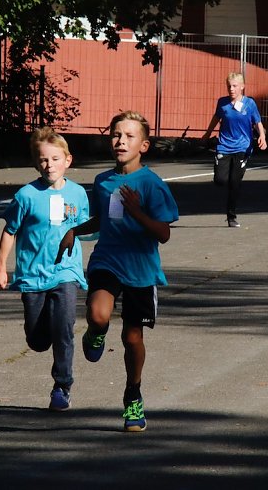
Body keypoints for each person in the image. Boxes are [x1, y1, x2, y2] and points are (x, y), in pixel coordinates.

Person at [56, 111, 179, 432]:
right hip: (107, 260)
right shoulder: (103, 181)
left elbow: (163, 233)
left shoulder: (152, 185)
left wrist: (138, 212)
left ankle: (133, 394)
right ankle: (96, 332)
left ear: (144, 145)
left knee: (132, 337)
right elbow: (102, 219)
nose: (120, 141)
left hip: (141, 269)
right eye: (115, 135)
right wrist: (74, 231)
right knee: (98, 315)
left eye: (129, 136)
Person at [0, 127, 89, 411]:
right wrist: (1, 268)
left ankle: (62, 386)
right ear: (37, 163)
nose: (50, 165)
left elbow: (86, 228)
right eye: (44, 160)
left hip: (65, 272)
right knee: (36, 340)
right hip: (33, 276)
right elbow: (10, 231)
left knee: (64, 329)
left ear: (68, 160)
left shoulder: (78, 193)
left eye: (56, 159)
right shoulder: (26, 196)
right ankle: (41, 332)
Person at [200, 72, 267, 228]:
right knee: (220, 180)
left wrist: (262, 136)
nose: (231, 89)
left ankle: (231, 216)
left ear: (242, 87)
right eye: (229, 86)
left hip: (242, 147)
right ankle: (223, 174)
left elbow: (257, 122)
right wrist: (208, 133)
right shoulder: (222, 103)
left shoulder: (249, 104)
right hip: (224, 145)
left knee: (234, 184)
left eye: (235, 86)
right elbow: (216, 118)